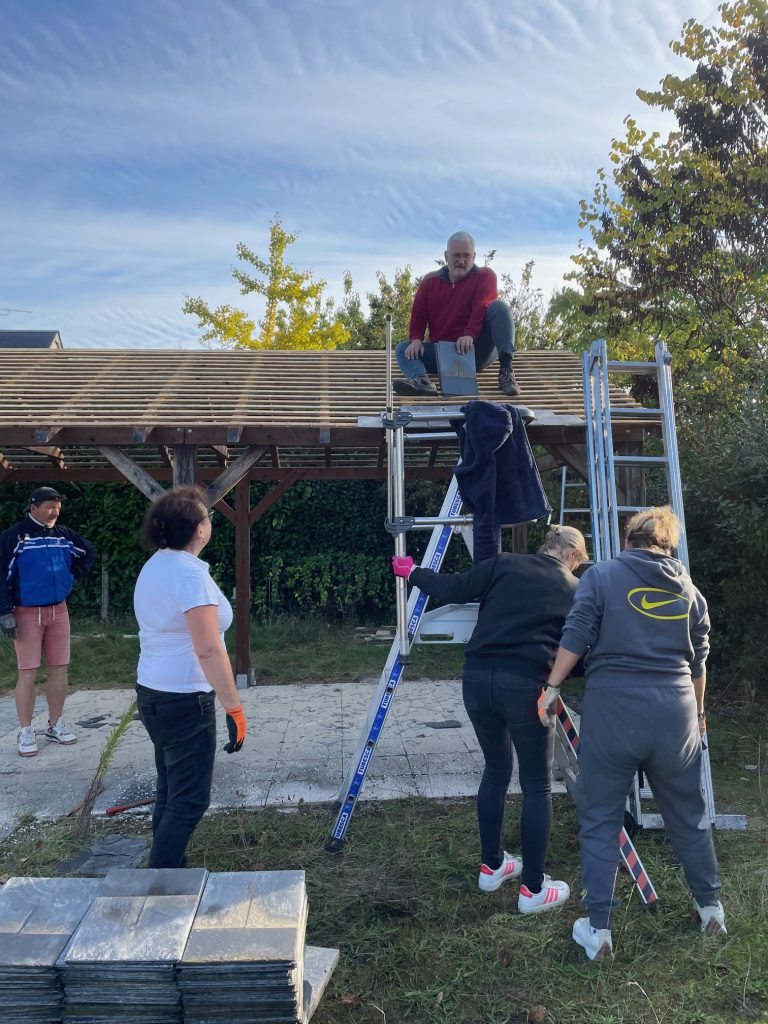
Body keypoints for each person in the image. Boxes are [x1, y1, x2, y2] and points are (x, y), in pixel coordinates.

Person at [539, 507, 724, 962]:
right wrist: (698, 713)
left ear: (628, 539)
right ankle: (710, 906)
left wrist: (551, 687)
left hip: (614, 707)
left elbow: (577, 633)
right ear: (669, 545)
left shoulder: (601, 577)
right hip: (676, 710)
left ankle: (598, 929)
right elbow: (699, 661)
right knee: (689, 814)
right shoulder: (689, 590)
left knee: (601, 818)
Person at [393, 524, 587, 913]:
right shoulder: (574, 589)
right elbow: (579, 650)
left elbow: (451, 589)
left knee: (496, 769)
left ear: (547, 546)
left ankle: (492, 865)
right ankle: (533, 889)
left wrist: (411, 571)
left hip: (477, 680)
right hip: (527, 688)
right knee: (537, 786)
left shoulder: (503, 564)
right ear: (572, 556)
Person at [133, 486, 247, 869]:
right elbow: (209, 650)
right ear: (198, 530)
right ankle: (159, 882)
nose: (210, 523)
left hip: (154, 694)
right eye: (207, 517)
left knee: (170, 790)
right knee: (190, 800)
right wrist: (234, 708)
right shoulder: (187, 575)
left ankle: (169, 869)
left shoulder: (157, 565)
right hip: (184, 699)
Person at [0, 486, 96, 757]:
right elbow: (1, 574)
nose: (55, 510)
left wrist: (68, 576)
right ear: (33, 507)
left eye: (57, 506)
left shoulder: (63, 535)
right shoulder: (14, 537)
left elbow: (88, 552)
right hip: (26, 612)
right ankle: (26, 730)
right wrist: (4, 611)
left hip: (59, 611)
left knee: (59, 669)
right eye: (49, 506)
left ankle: (55, 724)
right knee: (27, 672)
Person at [392, 231, 520, 398]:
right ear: (446, 255)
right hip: (445, 354)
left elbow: (482, 305)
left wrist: (470, 335)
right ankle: (422, 382)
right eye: (456, 255)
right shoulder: (430, 281)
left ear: (474, 256)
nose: (461, 261)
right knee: (403, 348)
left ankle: (506, 373)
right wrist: (416, 338)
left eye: (466, 256)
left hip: (475, 350)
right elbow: (418, 313)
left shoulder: (485, 276)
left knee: (499, 308)